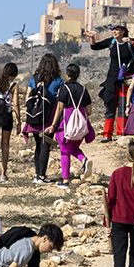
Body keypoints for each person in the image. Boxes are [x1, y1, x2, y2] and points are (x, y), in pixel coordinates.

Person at [89, 24, 134, 142]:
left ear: (123, 31)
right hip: (112, 79)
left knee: (123, 105)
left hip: (127, 79)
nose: (114, 32)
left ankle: (122, 133)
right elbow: (95, 47)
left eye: (117, 30)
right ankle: (107, 134)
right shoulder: (111, 42)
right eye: (113, 30)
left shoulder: (129, 42)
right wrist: (92, 37)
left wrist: (132, 42)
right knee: (110, 105)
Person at [46, 63, 94, 191]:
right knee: (74, 147)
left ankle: (66, 180)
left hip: (66, 125)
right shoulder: (83, 89)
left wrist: (53, 125)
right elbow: (89, 111)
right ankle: (84, 159)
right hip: (80, 127)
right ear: (78, 75)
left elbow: (60, 108)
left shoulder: (64, 88)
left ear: (67, 74)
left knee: (64, 151)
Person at [22, 54, 64, 184]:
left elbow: (27, 98)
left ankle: (37, 175)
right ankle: (41, 175)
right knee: (45, 145)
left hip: (35, 116)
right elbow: (60, 101)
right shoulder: (58, 81)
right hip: (49, 117)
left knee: (38, 146)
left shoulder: (34, 79)